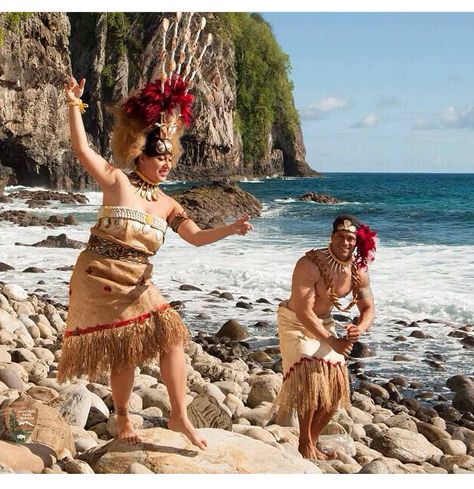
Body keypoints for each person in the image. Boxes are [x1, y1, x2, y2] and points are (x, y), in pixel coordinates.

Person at [56, 15, 252, 449]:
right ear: (138, 155)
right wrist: (74, 104)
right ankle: (123, 418)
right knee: (125, 347)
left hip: (139, 278)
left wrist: (231, 228)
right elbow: (80, 148)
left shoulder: (169, 204)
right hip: (101, 274)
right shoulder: (117, 181)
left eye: (169, 158)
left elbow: (196, 237)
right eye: (157, 157)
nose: (165, 164)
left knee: (172, 333)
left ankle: (180, 416)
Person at [272, 215, 376, 460]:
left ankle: (311, 440)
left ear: (357, 242)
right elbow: (303, 310)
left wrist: (359, 328)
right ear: (331, 237)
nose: (345, 242)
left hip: (324, 323)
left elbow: (368, 308)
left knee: (335, 383)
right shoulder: (310, 264)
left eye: (350, 238)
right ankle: (304, 442)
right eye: (340, 236)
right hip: (294, 321)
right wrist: (333, 341)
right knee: (311, 372)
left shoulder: (358, 271)